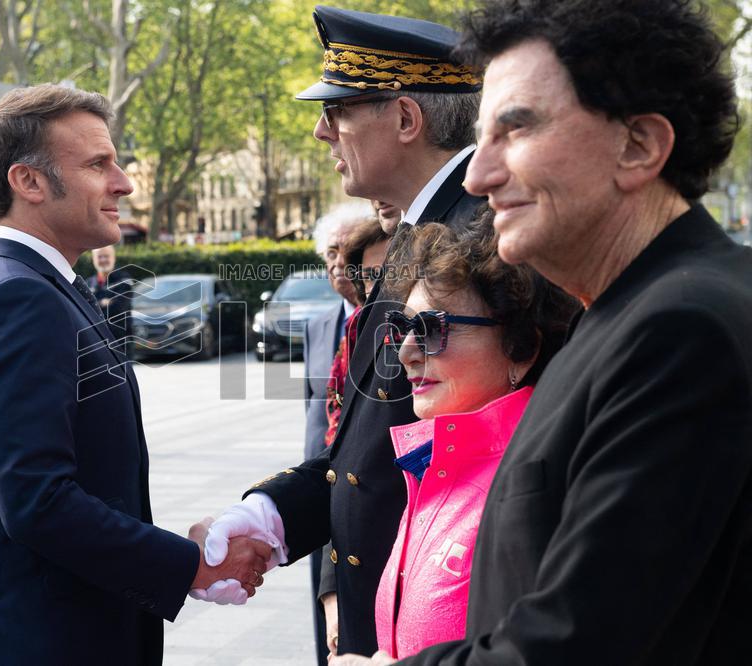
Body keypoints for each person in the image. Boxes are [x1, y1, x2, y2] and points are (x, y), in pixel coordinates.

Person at [338, 0, 752, 663]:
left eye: (516, 129)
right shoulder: (626, 312)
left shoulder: (681, 329)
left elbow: (580, 641)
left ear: (639, 145)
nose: (479, 174)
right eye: (482, 137)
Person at [0, 84, 270, 665]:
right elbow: (37, 500)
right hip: (42, 644)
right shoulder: (18, 297)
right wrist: (192, 563)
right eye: (97, 164)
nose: (124, 182)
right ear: (29, 182)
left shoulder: (41, 287)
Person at [194, 6, 486, 658]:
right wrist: (269, 517)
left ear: (406, 119)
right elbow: (370, 451)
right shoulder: (423, 231)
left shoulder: (482, 236)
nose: (322, 132)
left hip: (438, 628)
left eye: (339, 110)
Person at [336, 214, 577, 664]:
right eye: (403, 329)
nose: (406, 351)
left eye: (431, 328)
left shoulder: (537, 485)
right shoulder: (430, 464)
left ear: (520, 350)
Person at [305, 204, 371, 666]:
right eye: (330, 252)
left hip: (364, 504)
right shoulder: (317, 325)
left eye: (347, 251)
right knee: (325, 632)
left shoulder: (393, 323)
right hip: (316, 498)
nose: (337, 262)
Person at [86, 244, 133, 357]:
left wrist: (96, 303)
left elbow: (118, 308)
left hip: (121, 344)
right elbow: (85, 310)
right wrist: (104, 302)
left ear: (113, 258)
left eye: (106, 256)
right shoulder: (88, 283)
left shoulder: (124, 280)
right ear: (93, 260)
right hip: (95, 343)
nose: (103, 260)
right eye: (99, 257)